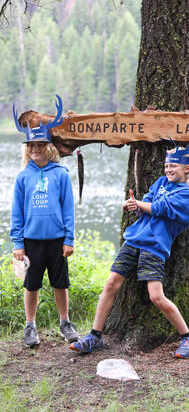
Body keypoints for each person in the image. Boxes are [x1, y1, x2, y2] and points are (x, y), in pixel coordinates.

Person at [70, 120, 189, 359]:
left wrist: (142, 204)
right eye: (166, 165)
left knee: (156, 296)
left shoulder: (188, 193)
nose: (168, 170)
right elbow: (148, 201)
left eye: (173, 166)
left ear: (187, 170)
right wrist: (134, 205)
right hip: (134, 240)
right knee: (111, 284)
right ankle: (95, 336)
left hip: (155, 246)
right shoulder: (162, 182)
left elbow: (161, 207)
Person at [10, 95, 79, 348]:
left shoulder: (60, 174)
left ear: (49, 146)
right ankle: (30, 326)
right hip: (31, 241)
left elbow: (68, 209)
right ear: (27, 149)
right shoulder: (22, 178)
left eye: (40, 145)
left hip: (57, 239)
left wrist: (69, 238)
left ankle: (65, 322)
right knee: (32, 285)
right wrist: (18, 243)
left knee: (60, 284)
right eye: (31, 146)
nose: (36, 149)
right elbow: (16, 213)